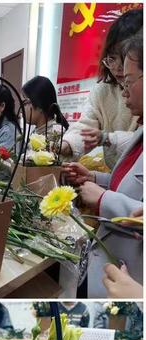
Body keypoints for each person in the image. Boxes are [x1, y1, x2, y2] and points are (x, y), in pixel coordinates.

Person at [63, 34, 143, 298]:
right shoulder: (140, 132)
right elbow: (132, 185)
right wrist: (96, 179)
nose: (123, 91)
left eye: (128, 81)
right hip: (112, 264)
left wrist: (103, 199)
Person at [60, 9, 142, 168]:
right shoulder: (103, 91)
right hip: (117, 173)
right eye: (112, 58)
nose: (118, 67)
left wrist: (106, 138)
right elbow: (85, 126)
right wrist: (67, 144)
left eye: (124, 58)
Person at [21, 76, 69, 153]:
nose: (21, 110)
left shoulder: (56, 134)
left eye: (25, 103)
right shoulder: (37, 131)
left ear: (39, 105)